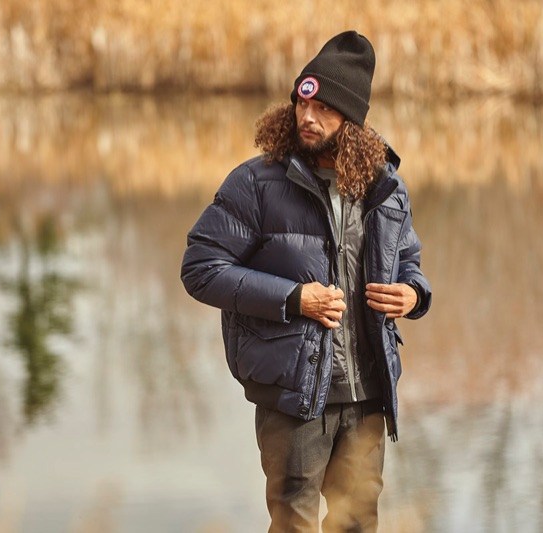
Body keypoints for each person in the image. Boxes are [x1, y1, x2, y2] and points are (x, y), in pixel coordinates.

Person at [180, 30, 432, 532]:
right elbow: (201, 269)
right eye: (301, 102)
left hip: (367, 396)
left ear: (353, 119)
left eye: (324, 109)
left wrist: (414, 294)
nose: (307, 118)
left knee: (358, 523)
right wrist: (294, 299)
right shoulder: (255, 183)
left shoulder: (386, 188)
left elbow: (409, 260)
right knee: (293, 525)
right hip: (295, 398)